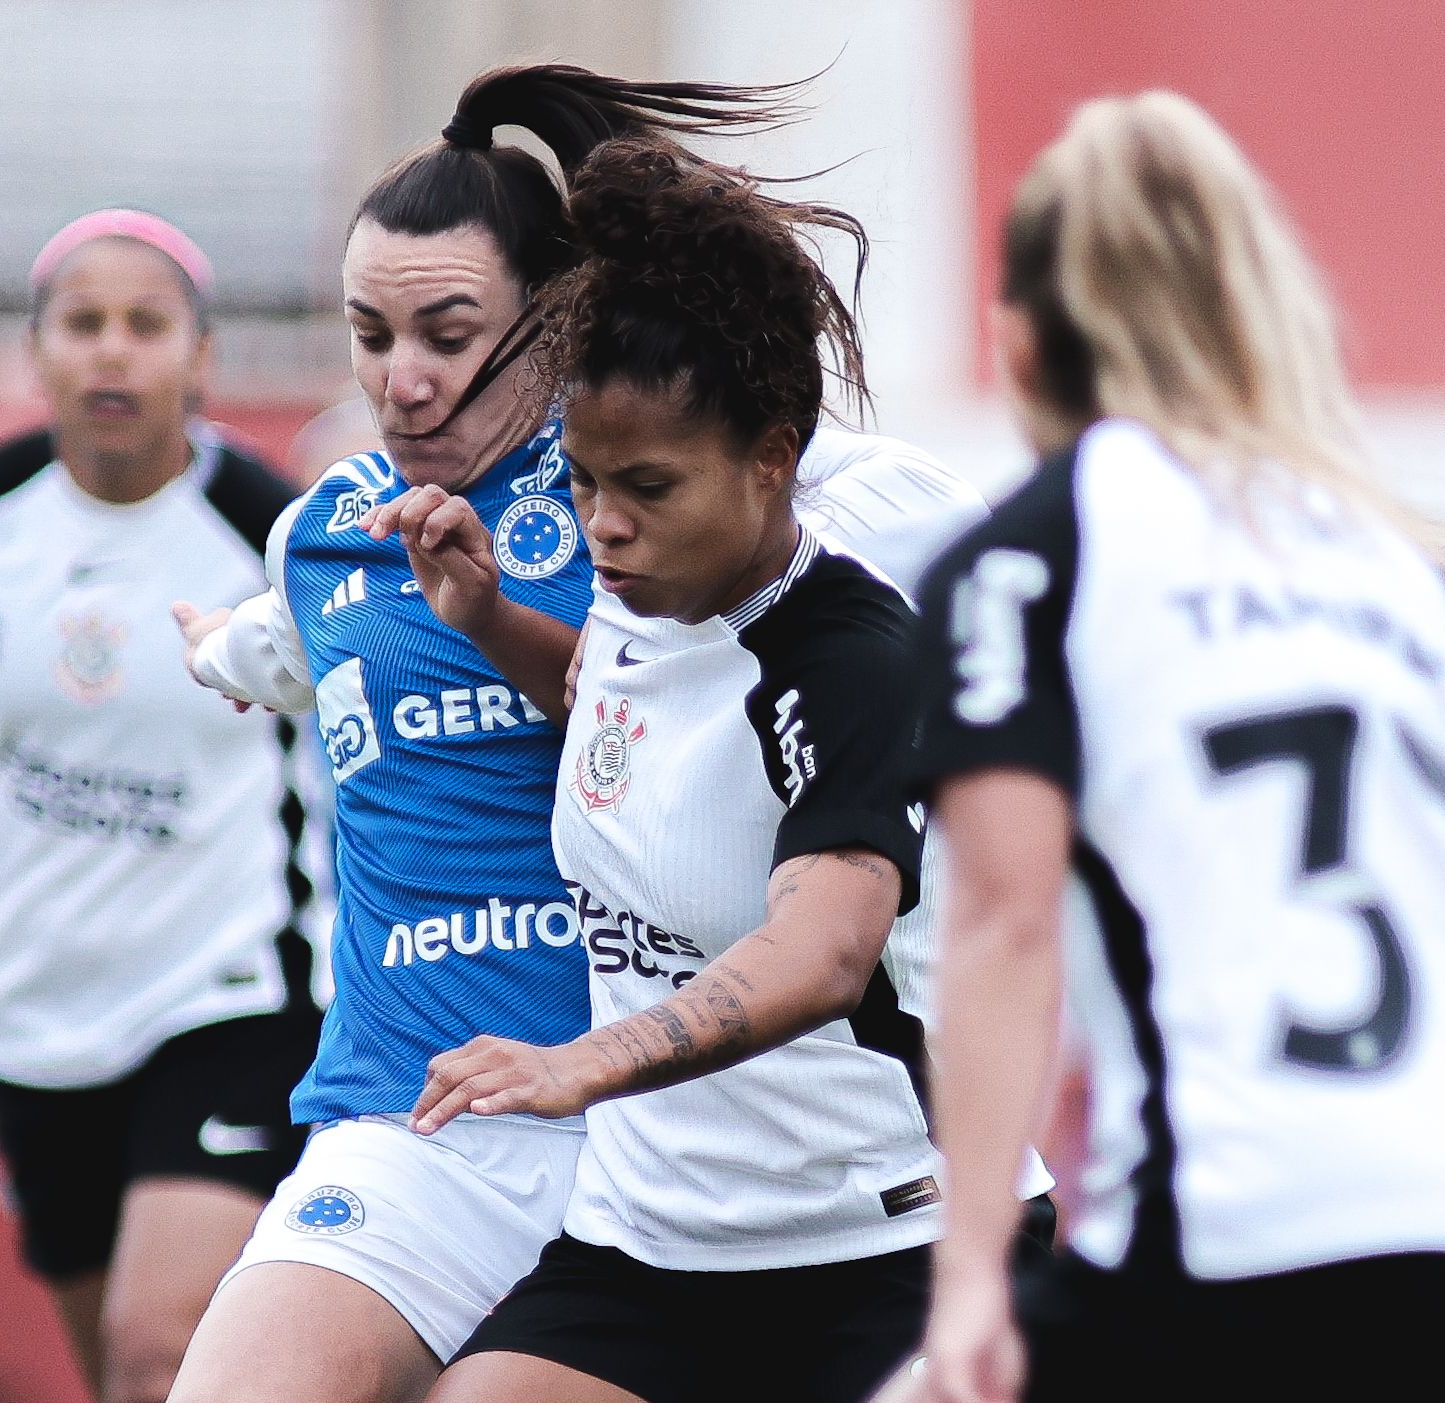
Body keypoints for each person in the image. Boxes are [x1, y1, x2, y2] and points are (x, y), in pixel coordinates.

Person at [892, 92, 1445, 1403]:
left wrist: (966, 1282)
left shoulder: (1026, 555)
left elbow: (1002, 925)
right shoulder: (1390, 567)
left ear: (1013, 340)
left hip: (1256, 1224)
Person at [367, 134, 1047, 1403]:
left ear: (772, 459)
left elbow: (825, 945)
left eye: (646, 486)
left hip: (881, 1249)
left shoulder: (848, 660)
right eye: (578, 482)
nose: (602, 524)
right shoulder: (642, 587)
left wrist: (583, 1058)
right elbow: (629, 714)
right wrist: (491, 621)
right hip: (648, 1249)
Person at [165, 66, 808, 1403]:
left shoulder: (637, 501)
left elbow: (687, 727)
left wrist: (494, 623)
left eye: (447, 333)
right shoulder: (323, 534)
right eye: (368, 334)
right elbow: (273, 651)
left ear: (552, 316)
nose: (402, 382)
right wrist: (208, 647)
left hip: (640, 1133)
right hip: (412, 1123)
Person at [0, 210, 321, 1403]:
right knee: (117, 1372)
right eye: (81, 323)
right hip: (37, 1008)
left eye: (146, 324)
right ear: (35, 353)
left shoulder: (269, 530)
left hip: (234, 989)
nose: (111, 351)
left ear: (201, 357)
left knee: (160, 1346)